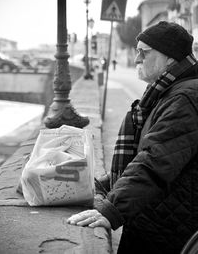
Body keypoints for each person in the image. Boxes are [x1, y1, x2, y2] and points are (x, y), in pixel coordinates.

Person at [67, 21, 198, 254]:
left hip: (169, 230)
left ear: (170, 58)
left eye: (143, 52)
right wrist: (100, 184)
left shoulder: (185, 99)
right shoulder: (167, 92)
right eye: (136, 50)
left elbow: (154, 161)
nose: (137, 58)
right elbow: (145, 155)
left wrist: (111, 210)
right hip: (158, 218)